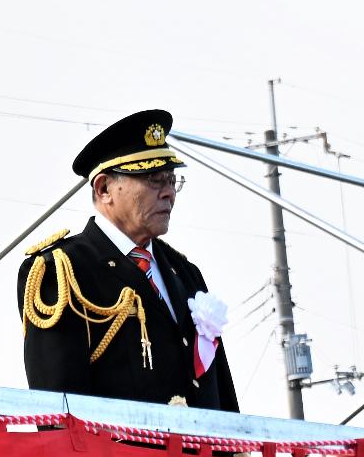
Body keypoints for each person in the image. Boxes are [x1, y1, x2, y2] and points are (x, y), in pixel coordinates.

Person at [16, 108, 237, 409]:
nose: (169, 193)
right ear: (104, 188)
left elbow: (222, 397)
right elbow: (58, 406)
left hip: (196, 441)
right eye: (154, 180)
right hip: (118, 442)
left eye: (172, 181)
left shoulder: (185, 272)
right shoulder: (61, 270)